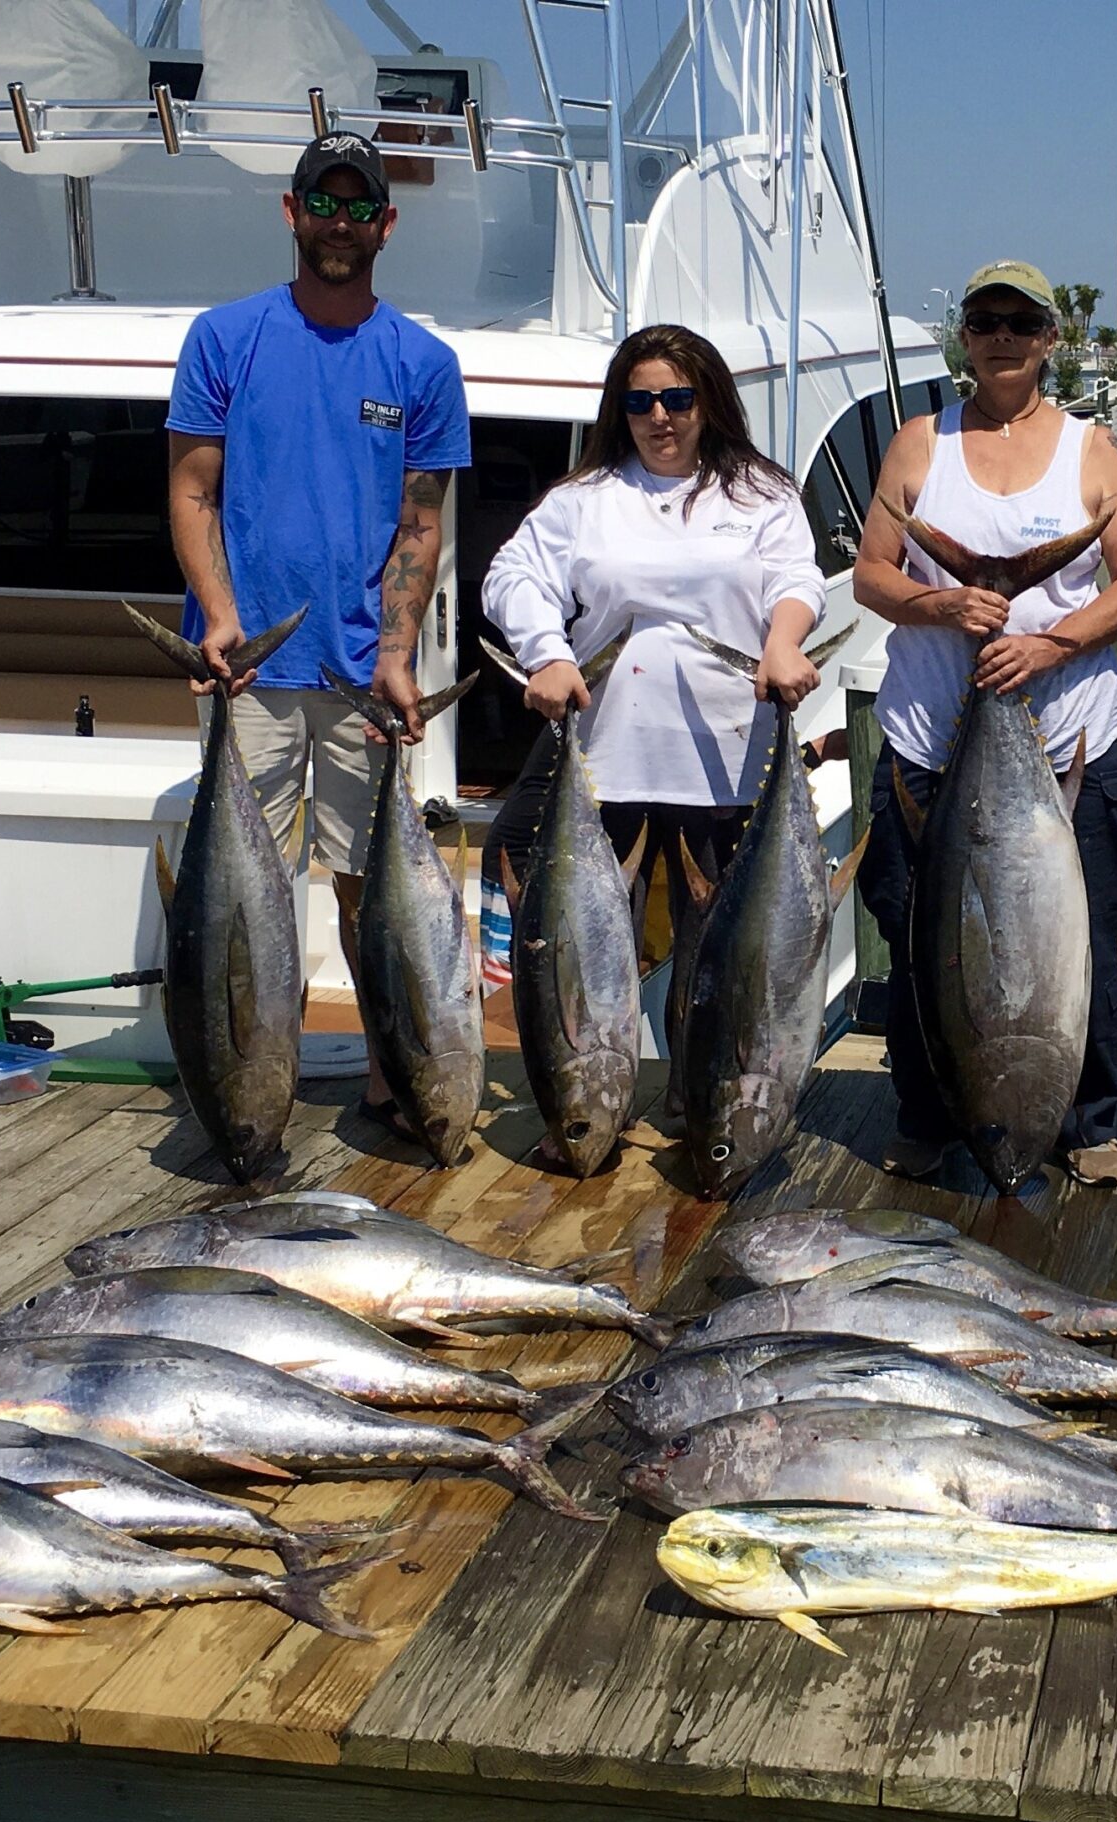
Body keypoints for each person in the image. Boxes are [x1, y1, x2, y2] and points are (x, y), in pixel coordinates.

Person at [166, 131, 473, 1136]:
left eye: (358, 208)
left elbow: (420, 522)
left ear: (386, 223)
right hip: (246, 678)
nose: (339, 224)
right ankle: (255, 1080)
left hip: (355, 677)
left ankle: (396, 1082)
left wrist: (395, 652)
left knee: (363, 891)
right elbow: (192, 489)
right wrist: (220, 620)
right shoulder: (224, 338)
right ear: (290, 213)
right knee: (248, 906)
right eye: (322, 205)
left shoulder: (422, 363)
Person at [851, 260, 1117, 1188]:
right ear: (966, 337)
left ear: (1049, 341)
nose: (1000, 337)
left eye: (1021, 324)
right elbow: (873, 576)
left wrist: (1051, 645)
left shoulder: (1093, 451)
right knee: (918, 938)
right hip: (926, 740)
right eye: (984, 320)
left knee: (1083, 937)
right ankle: (928, 1112)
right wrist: (945, 608)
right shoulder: (919, 444)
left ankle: (1088, 1121)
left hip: (1074, 738)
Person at [481, 322, 826, 1097]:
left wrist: (785, 641)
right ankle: (598, 1100)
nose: (659, 416)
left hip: (734, 760)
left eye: (676, 397)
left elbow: (795, 578)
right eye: (640, 401)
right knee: (594, 951)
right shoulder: (584, 498)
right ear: (620, 408)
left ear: (708, 401)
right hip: (608, 765)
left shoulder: (761, 492)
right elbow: (512, 575)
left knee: (720, 955)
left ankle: (704, 1104)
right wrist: (547, 651)